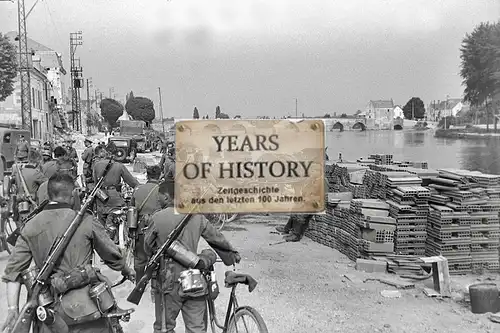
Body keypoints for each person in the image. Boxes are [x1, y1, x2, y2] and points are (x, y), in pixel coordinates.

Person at [1, 174, 134, 333]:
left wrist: (12, 309)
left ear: (49, 195)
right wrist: (126, 269)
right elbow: (112, 257)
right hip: (89, 308)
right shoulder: (86, 220)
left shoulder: (30, 226)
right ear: (72, 195)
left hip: (50, 311)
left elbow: (13, 274)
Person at [144, 179, 241, 333]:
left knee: (164, 328)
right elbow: (215, 237)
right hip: (194, 278)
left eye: (160, 196)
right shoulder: (196, 216)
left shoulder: (157, 218)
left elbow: (147, 248)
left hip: (167, 282)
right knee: (197, 328)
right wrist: (231, 253)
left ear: (167, 196)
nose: (158, 200)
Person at [92, 144, 139, 237]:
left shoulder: (96, 165)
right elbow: (132, 182)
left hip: (101, 198)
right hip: (115, 199)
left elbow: (95, 182)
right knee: (117, 222)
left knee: (102, 224)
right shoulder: (119, 166)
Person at [129, 165, 162, 282]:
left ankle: (139, 284)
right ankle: (155, 288)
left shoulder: (137, 189)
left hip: (141, 228)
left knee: (139, 259)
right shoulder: (163, 191)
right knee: (158, 257)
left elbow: (131, 209)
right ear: (160, 175)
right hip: (158, 228)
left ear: (147, 175)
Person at [12, 150, 47, 218]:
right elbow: (47, 184)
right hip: (31, 205)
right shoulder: (36, 173)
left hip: (19, 204)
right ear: (38, 161)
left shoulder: (19, 171)